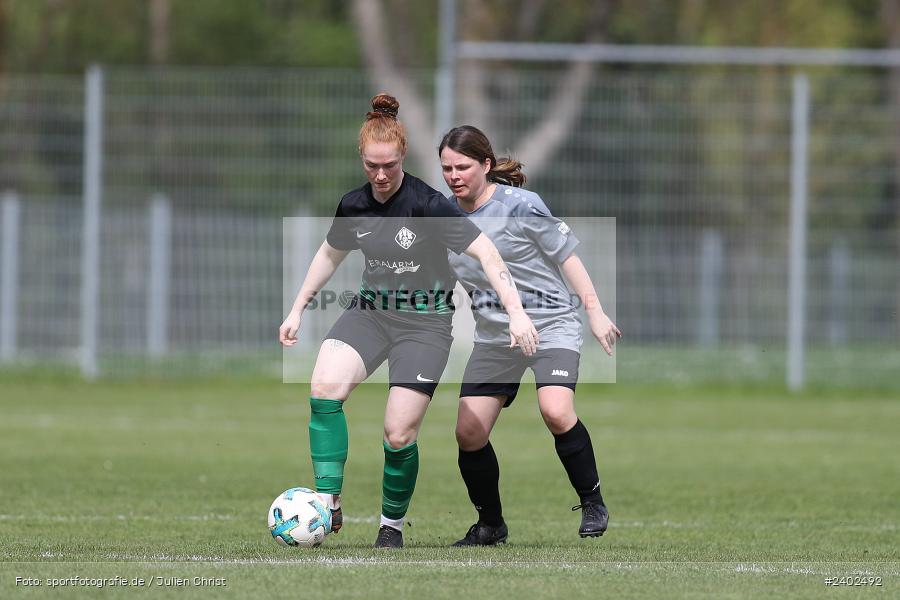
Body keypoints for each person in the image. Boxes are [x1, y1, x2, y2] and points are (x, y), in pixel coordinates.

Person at [279, 97, 539, 549]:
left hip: (425, 324)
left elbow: (486, 252)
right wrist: (297, 307)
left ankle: (391, 527)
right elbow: (329, 253)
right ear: (362, 159)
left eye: (390, 166)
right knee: (323, 390)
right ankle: (327, 501)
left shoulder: (428, 204)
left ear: (402, 158)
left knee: (398, 433)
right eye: (372, 165)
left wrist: (516, 312)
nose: (381, 175)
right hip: (371, 313)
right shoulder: (354, 204)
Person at [439, 125, 621, 545]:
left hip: (551, 325)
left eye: (463, 166)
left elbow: (568, 257)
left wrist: (594, 311)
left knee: (555, 410)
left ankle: (592, 501)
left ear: (485, 165)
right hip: (495, 338)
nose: (454, 175)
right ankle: (490, 524)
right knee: (468, 431)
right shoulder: (444, 218)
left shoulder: (521, 205)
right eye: (446, 168)